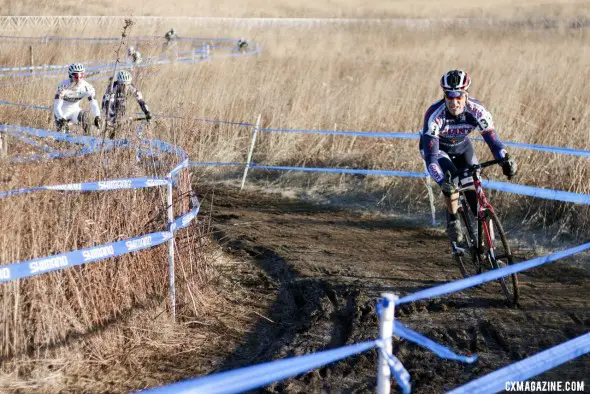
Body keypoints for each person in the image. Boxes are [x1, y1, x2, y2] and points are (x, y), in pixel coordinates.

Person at [419, 69, 517, 244]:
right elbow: (431, 160)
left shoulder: (477, 111)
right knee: (452, 184)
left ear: (465, 95)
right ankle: (454, 220)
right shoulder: (434, 116)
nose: (454, 103)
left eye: (458, 97)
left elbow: (494, 142)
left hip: (462, 147)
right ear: (444, 95)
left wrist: (505, 160)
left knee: (474, 190)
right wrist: (443, 182)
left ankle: (489, 248)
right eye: (450, 97)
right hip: (437, 151)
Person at [53, 63, 102, 134]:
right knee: (62, 136)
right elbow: (56, 107)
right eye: (76, 76)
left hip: (75, 111)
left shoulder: (87, 87)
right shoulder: (63, 87)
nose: (79, 79)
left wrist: (97, 116)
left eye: (81, 75)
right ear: (70, 76)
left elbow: (94, 103)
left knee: (85, 118)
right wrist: (61, 118)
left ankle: (87, 141)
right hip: (62, 113)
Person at [102, 69, 151, 135]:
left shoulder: (131, 87)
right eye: (123, 85)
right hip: (109, 107)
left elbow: (141, 101)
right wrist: (112, 117)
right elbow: (108, 105)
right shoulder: (112, 87)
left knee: (126, 125)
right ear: (119, 83)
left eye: (127, 84)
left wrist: (147, 112)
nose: (125, 87)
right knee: (113, 127)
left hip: (121, 107)